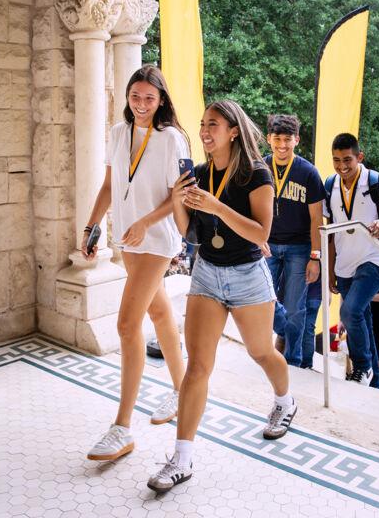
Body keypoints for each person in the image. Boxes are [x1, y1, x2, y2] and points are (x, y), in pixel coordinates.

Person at [148, 100, 294, 492]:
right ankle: (181, 459)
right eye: (202, 124)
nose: (205, 131)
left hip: (248, 275)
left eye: (213, 124)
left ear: (233, 131)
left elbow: (261, 234)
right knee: (197, 367)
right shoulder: (198, 174)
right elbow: (190, 234)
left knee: (261, 352)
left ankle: (285, 400)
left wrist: (216, 205)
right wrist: (180, 200)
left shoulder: (255, 174)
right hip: (208, 273)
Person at [84, 66, 189, 461]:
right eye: (135, 97)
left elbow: (178, 194)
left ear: (161, 100)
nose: (142, 104)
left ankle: (122, 428)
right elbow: (110, 186)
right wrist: (91, 226)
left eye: (149, 98)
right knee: (160, 314)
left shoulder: (171, 138)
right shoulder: (117, 132)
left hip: (157, 239)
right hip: (128, 238)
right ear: (127, 97)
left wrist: (146, 221)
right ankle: (183, 390)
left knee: (128, 324)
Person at [324, 133, 379, 387]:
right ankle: (371, 378)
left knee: (349, 311)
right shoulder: (330, 185)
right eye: (336, 160)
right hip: (344, 263)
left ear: (360, 157)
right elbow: (330, 232)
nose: (342, 166)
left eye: (347, 159)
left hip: (374, 259)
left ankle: (361, 367)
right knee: (363, 320)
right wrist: (330, 270)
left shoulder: (377, 184)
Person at [262, 114, 325, 367]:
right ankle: (286, 335)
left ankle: (294, 361)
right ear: (269, 139)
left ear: (296, 140)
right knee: (261, 299)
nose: (282, 145)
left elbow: (316, 219)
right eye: (277, 139)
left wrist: (315, 257)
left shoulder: (308, 172)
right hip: (266, 245)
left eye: (287, 139)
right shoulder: (260, 167)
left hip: (300, 248)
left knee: (296, 307)